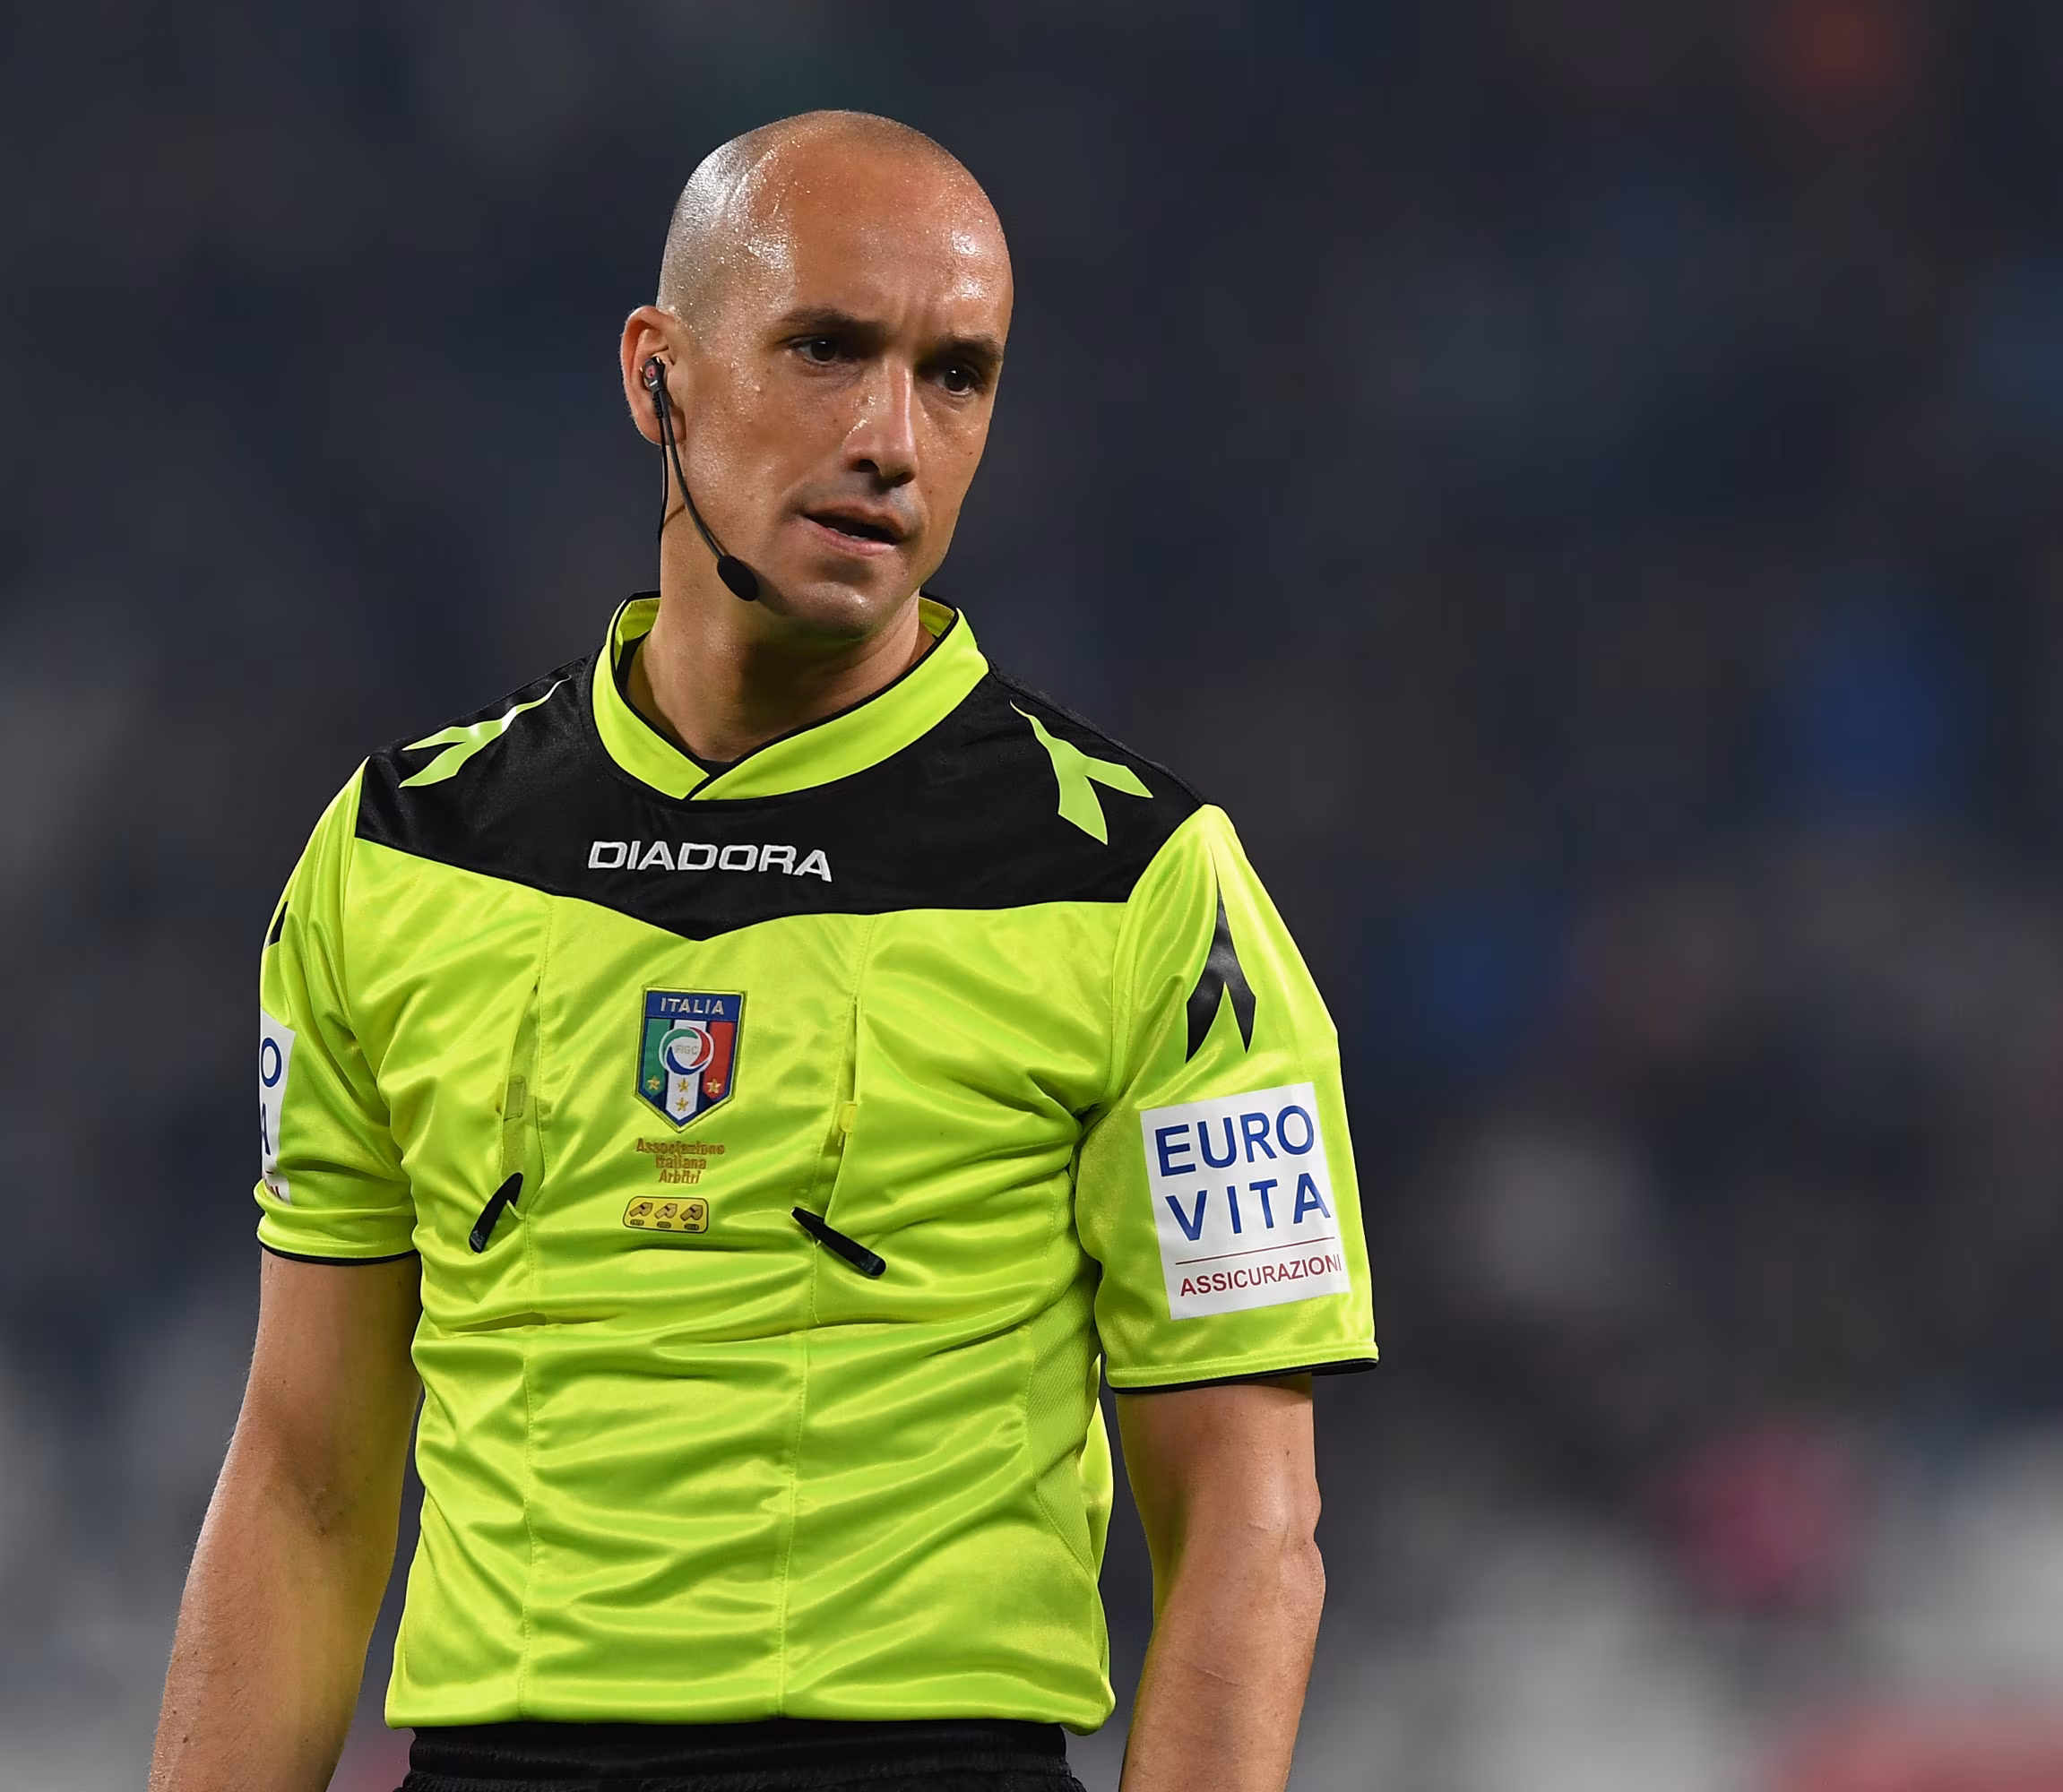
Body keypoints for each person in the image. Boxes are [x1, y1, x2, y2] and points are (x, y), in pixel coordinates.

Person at [150, 110, 1376, 1792]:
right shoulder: (399, 857)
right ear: (657, 374)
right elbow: (305, 1479)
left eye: (957, 376)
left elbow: (1251, 1525)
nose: (892, 438)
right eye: (827, 350)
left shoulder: (1146, 887)